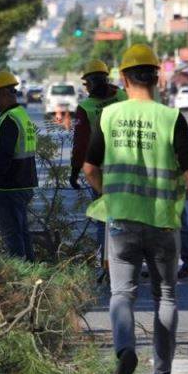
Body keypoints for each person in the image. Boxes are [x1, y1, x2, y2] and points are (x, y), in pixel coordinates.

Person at [83, 44, 188, 374]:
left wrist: (107, 195)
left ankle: (125, 350)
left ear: (124, 78)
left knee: (122, 294)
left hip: (122, 221)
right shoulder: (171, 118)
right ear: (156, 78)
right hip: (163, 223)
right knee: (167, 297)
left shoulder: (109, 117)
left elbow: (89, 169)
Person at [70, 59, 127, 277]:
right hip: (128, 166)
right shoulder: (123, 96)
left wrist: (75, 171)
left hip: (101, 172)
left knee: (104, 217)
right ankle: (131, 258)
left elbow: (81, 144)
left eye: (87, 84)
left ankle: (107, 262)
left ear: (92, 82)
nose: (87, 88)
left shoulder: (86, 108)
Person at [0, 71, 38, 262]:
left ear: (3, 94)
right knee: (22, 233)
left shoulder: (9, 120)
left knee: (12, 236)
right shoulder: (21, 115)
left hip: (10, 186)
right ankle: (31, 274)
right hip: (23, 183)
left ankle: (20, 278)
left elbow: (4, 155)